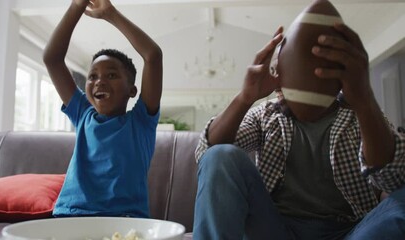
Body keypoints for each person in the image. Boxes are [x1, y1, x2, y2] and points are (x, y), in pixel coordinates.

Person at [192, 0, 405, 239]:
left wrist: (365, 100)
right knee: (221, 156)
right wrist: (244, 98)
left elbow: (395, 178)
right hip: (275, 229)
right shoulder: (266, 114)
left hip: (351, 232)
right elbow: (207, 154)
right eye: (286, 68)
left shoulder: (359, 114)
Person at [43, 0, 162, 218]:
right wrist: (77, 5)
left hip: (124, 220)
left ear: (132, 90)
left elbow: (153, 56)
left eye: (112, 75)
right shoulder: (83, 114)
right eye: (93, 76)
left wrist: (110, 13)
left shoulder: (141, 122)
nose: (99, 81)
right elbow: (52, 59)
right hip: (70, 217)